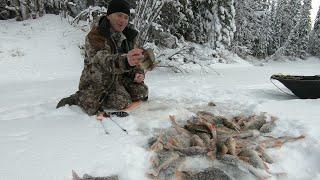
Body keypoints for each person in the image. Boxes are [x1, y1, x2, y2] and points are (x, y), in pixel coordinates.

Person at [56, 0, 148, 116]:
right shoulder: (95, 35)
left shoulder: (129, 37)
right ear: (109, 16)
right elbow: (103, 60)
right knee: (121, 101)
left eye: (126, 17)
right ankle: (79, 97)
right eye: (119, 15)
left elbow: (136, 60)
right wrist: (126, 61)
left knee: (142, 92)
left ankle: (118, 91)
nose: (123, 21)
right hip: (98, 80)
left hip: (117, 79)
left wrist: (139, 72)